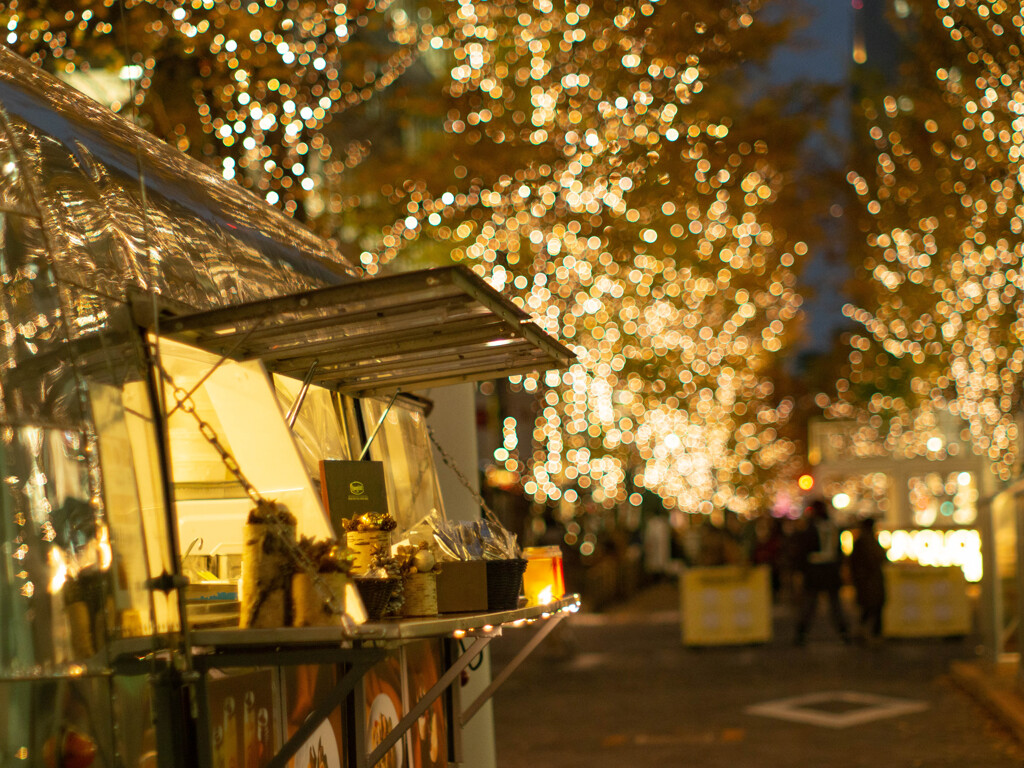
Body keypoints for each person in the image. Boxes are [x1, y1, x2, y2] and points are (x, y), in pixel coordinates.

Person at [793, 499, 850, 645]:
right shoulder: (832, 526)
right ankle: (844, 632)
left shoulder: (811, 527)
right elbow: (838, 550)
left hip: (815, 571)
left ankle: (802, 633)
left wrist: (800, 570)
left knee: (810, 604)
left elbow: (803, 550)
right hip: (830, 570)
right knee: (835, 604)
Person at [849, 516, 887, 645]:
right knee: (873, 608)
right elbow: (881, 557)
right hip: (870, 580)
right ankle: (872, 634)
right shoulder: (869, 541)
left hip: (866, 581)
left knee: (869, 609)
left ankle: (864, 633)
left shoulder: (862, 540)